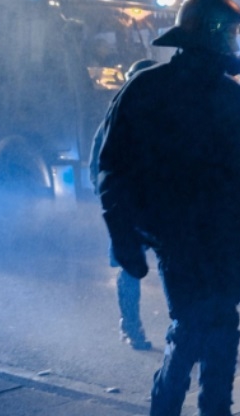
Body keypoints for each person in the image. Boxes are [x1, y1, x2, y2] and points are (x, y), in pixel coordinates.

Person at [96, 0, 240, 416]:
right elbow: (114, 169)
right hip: (176, 233)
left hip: (220, 233)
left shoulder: (231, 95)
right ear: (210, 35)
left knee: (222, 324)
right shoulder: (147, 88)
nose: (238, 44)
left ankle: (214, 409)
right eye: (232, 34)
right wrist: (124, 237)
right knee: (194, 324)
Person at [89, 58, 157, 351]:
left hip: (151, 205)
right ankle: (131, 326)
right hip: (130, 206)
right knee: (130, 268)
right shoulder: (115, 118)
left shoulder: (160, 115)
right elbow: (99, 166)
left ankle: (139, 328)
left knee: (141, 268)